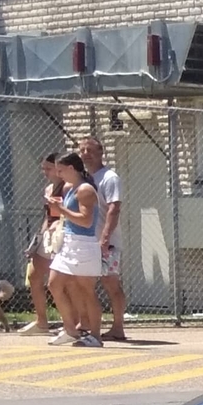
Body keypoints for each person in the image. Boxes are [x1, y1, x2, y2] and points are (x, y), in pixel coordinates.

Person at [48, 153, 105, 347]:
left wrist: (61, 210)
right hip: (69, 243)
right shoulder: (69, 188)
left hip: (84, 244)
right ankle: (70, 330)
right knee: (54, 283)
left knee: (87, 290)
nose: (58, 174)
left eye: (61, 170)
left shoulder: (85, 190)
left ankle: (96, 335)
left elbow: (86, 220)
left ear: (72, 168)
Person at [82, 134, 126, 342]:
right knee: (83, 283)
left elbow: (114, 209)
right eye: (82, 150)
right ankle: (87, 324)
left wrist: (105, 238)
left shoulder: (109, 178)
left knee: (111, 283)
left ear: (101, 153)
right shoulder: (84, 178)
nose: (85, 155)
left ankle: (118, 327)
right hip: (86, 241)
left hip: (106, 243)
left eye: (90, 151)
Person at [24, 151, 62, 335]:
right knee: (33, 274)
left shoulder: (69, 187)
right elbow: (47, 216)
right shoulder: (48, 189)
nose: (45, 172)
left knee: (60, 281)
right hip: (47, 236)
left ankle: (74, 321)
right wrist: (37, 240)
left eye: (48, 168)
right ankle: (41, 321)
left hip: (62, 236)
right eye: (43, 169)